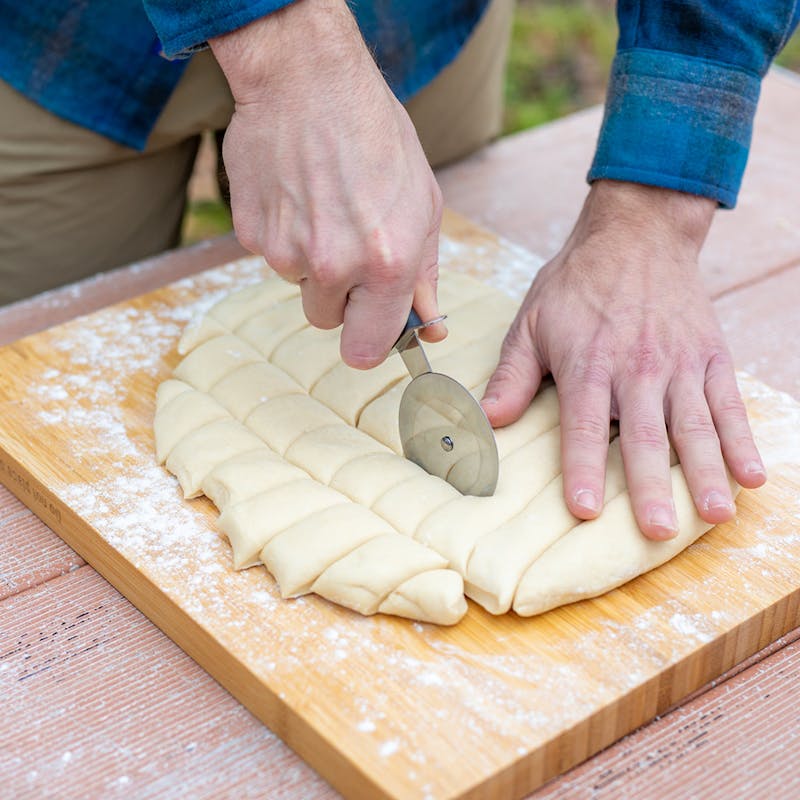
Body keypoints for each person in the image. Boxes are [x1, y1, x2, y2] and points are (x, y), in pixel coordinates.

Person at [2, 0, 795, 540]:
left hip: (409, 23)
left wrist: (652, 212)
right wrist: (285, 42)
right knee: (37, 389)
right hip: (62, 42)